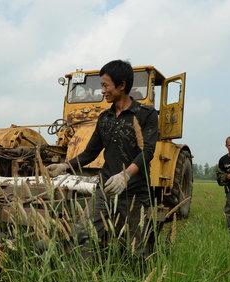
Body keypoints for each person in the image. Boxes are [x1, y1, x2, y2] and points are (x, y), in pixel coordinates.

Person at [47, 60, 158, 260]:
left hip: (135, 192)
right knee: (87, 234)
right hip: (105, 188)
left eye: (106, 85)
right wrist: (65, 166)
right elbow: (90, 152)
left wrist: (126, 175)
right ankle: (85, 280)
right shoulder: (105, 118)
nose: (102, 91)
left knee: (135, 249)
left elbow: (148, 151)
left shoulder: (145, 114)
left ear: (122, 85)